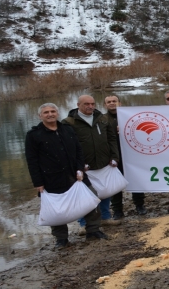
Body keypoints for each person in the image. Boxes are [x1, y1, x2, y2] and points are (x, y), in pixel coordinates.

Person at [25, 103, 107, 249]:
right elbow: (32, 161)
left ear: (57, 113)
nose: (50, 114)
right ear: (40, 116)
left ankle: (93, 230)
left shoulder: (67, 129)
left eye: (52, 111)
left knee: (92, 200)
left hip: (76, 175)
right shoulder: (33, 135)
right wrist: (38, 182)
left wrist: (80, 169)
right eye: (46, 112)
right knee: (57, 209)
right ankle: (61, 239)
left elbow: (78, 151)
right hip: (51, 178)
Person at [64, 95, 120, 235]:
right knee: (84, 195)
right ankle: (83, 223)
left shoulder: (102, 119)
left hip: (103, 162)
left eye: (92, 103)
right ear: (78, 105)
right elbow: (68, 147)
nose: (90, 106)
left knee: (105, 191)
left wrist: (114, 156)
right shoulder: (69, 122)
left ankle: (106, 217)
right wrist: (78, 164)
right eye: (86, 104)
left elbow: (111, 138)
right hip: (84, 166)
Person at [103, 95, 147, 218]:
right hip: (114, 156)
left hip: (132, 155)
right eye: (109, 102)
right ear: (105, 105)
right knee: (115, 185)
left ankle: (140, 205)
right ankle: (117, 210)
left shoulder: (130, 116)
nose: (112, 103)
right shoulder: (102, 119)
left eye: (114, 101)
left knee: (136, 181)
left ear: (120, 103)